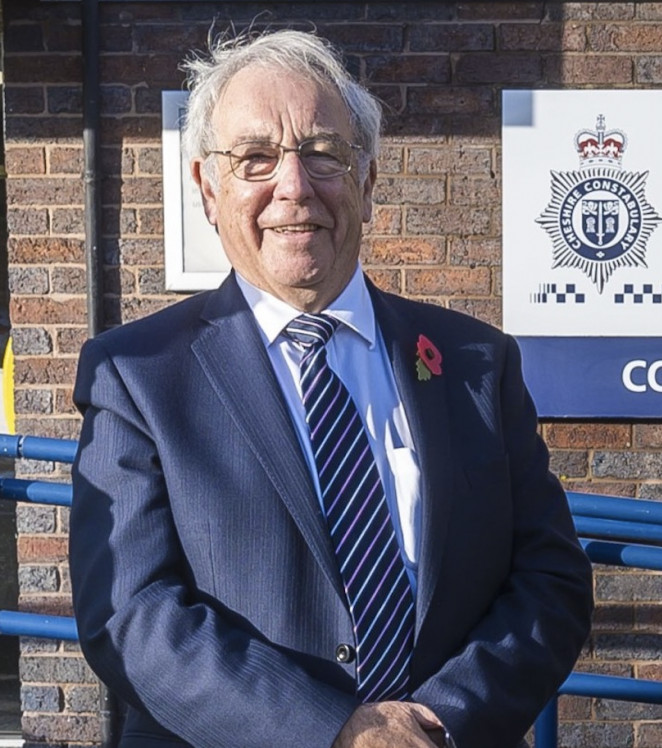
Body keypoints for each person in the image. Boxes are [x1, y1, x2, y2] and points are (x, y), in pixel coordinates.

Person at [68, 27, 593, 748]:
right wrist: (335, 732)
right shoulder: (137, 375)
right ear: (208, 190)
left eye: (323, 154)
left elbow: (550, 579)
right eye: (255, 159)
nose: (294, 186)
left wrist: (437, 724)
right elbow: (132, 613)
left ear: (368, 182)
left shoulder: (476, 361)